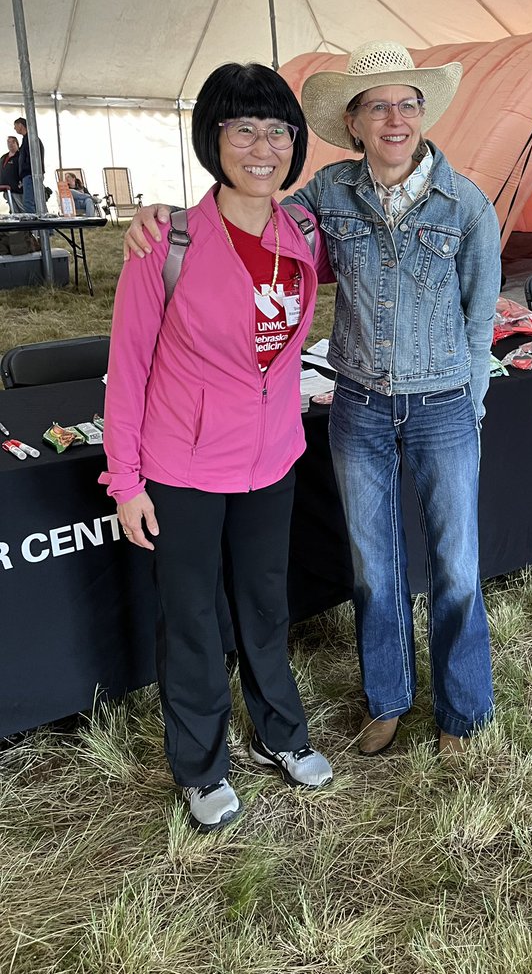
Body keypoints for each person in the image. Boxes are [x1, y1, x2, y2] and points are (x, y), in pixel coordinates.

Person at [125, 41, 502, 759]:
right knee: (372, 563)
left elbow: (480, 317)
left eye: (407, 104)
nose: (395, 119)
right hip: (358, 406)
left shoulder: (468, 205)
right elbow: (247, 211)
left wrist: (470, 406)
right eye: (377, 107)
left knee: (456, 565)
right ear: (353, 123)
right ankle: (387, 699)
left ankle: (461, 712)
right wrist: (162, 214)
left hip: (444, 405)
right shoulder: (327, 196)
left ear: (423, 115)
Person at [103, 62, 334, 832]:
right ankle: (201, 767)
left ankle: (280, 733)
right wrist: (126, 481)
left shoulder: (300, 228)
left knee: (266, 605)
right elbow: (128, 367)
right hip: (185, 465)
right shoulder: (166, 242)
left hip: (271, 457)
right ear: (215, 138)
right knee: (193, 617)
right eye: (243, 128)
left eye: (277, 130)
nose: (261, 146)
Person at [15, 117, 45, 215]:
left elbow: (33, 157)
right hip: (30, 174)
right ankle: (46, 229)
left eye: (15, 126)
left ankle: (36, 229)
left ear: (20, 125)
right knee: (37, 202)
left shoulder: (30, 139)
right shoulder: (27, 139)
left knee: (29, 203)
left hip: (31, 174)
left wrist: (25, 170)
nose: (14, 128)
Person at [0, 135, 21, 212]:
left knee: (21, 209)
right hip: (6, 188)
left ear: (17, 143)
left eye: (13, 142)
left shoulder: (20, 156)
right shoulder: (3, 157)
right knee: (13, 210)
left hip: (17, 189)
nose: (10, 144)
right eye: (8, 142)